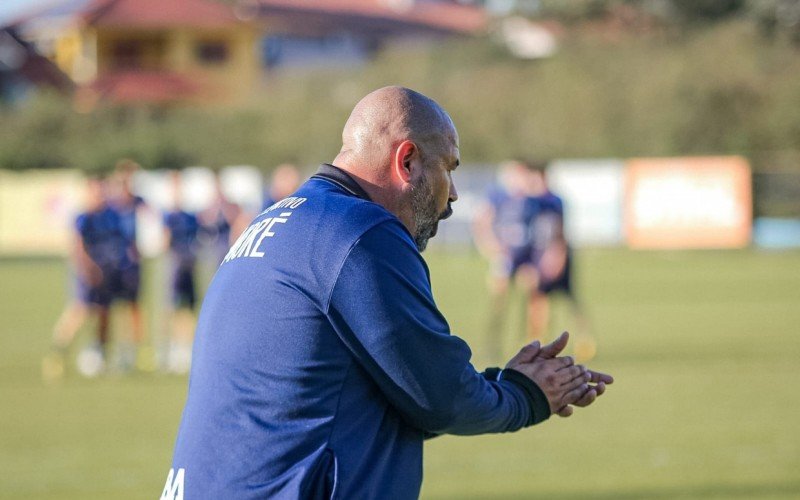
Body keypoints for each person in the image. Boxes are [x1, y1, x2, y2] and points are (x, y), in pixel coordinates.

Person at [164, 87, 612, 499]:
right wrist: (525, 396)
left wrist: (501, 383)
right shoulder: (361, 231)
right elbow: (438, 397)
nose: (453, 194)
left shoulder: (277, 220)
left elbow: (380, 391)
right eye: (448, 168)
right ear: (408, 161)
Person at [43, 176, 119, 380]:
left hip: (106, 272)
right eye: (96, 191)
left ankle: (101, 355)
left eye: (102, 191)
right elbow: (76, 248)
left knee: (105, 312)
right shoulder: (83, 217)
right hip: (87, 273)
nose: (100, 195)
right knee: (80, 310)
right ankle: (57, 354)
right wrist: (88, 270)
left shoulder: (110, 216)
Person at [523, 162, 595, 361]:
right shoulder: (530, 202)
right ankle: (536, 341)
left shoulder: (555, 201)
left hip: (556, 255)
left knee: (570, 296)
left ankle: (585, 338)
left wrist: (558, 256)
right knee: (538, 297)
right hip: (539, 256)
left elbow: (561, 231)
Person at [108, 159, 152, 371]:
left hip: (133, 264)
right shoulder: (112, 206)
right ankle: (113, 349)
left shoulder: (139, 202)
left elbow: (152, 221)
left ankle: (135, 350)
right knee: (113, 308)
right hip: (114, 264)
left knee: (134, 307)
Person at [162, 171, 200, 374]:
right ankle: (168, 348)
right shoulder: (168, 216)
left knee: (189, 307)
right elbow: (164, 241)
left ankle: (185, 348)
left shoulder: (190, 216)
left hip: (189, 265)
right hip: (174, 265)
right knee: (172, 306)